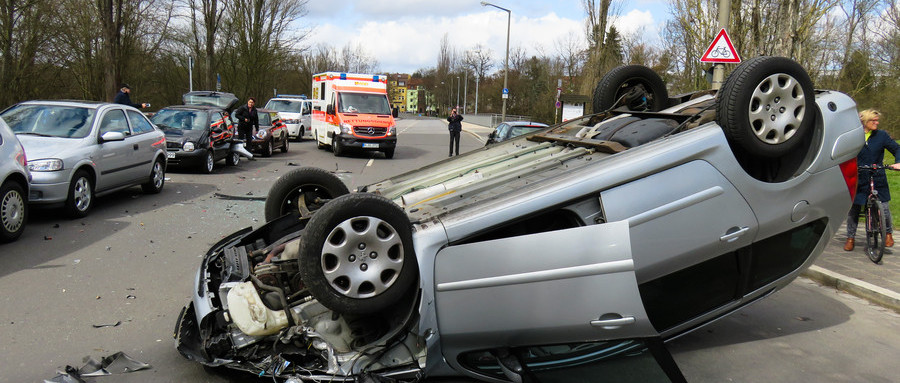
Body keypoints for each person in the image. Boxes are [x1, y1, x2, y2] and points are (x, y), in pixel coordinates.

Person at [844, 109, 900, 251]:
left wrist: (898, 162)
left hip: (877, 175)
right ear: (864, 121)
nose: (877, 122)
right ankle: (850, 237)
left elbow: (897, 149)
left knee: (884, 207)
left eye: (877, 120)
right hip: (859, 176)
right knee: (854, 208)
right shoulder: (854, 136)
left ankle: (888, 234)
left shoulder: (881, 135)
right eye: (873, 120)